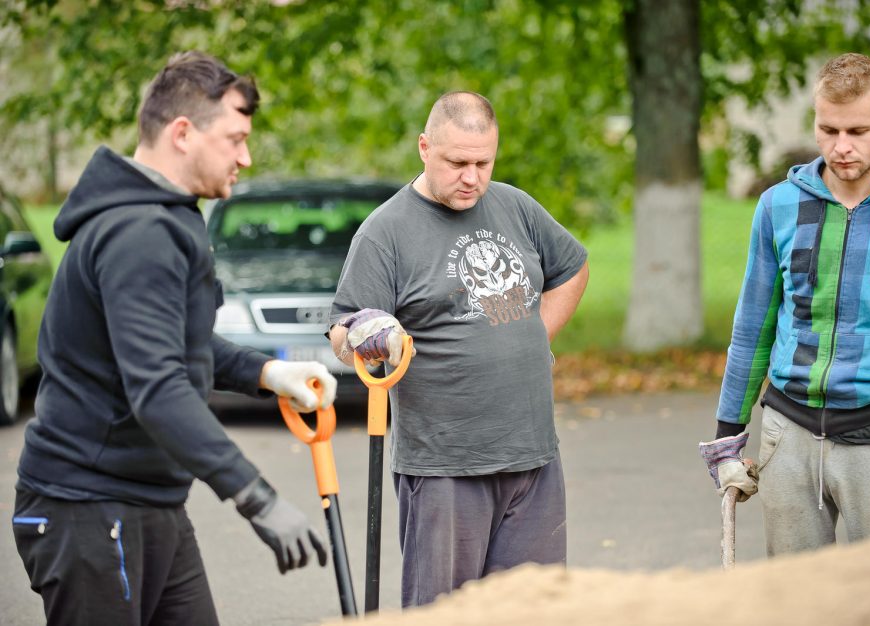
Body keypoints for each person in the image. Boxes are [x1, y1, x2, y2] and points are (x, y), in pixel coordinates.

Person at [11, 51, 337, 626]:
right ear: (183, 132)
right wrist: (255, 496)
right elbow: (157, 386)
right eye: (235, 139)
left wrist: (266, 373)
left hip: (149, 501)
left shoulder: (171, 217)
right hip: (88, 507)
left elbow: (167, 344)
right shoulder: (139, 233)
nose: (246, 156)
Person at [328, 91, 589, 606]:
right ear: (425, 148)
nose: (472, 177)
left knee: (533, 612)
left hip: (532, 457)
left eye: (483, 162)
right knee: (444, 614)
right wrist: (368, 333)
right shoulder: (387, 231)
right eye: (457, 162)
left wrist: (536, 338)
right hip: (445, 466)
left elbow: (573, 267)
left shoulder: (516, 206)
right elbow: (344, 330)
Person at [700, 52, 870, 556]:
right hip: (788, 439)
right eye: (828, 130)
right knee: (795, 604)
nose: (842, 147)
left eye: (857, 130)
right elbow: (753, 327)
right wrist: (727, 437)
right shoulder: (778, 206)